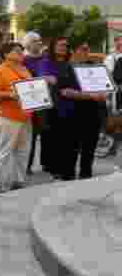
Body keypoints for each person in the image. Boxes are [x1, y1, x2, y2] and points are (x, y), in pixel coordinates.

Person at [57, 39, 109, 180]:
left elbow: (105, 87)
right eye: (83, 49)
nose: (87, 52)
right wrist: (90, 96)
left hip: (93, 114)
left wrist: (105, 93)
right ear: (74, 51)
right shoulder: (66, 67)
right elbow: (65, 91)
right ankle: (68, 179)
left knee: (89, 150)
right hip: (73, 114)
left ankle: (86, 178)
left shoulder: (94, 66)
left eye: (88, 49)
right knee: (70, 150)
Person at [0, 42, 34, 192]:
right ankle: (0, 182)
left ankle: (17, 181)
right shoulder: (0, 71)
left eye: (21, 50)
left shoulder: (25, 69)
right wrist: (10, 94)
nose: (20, 52)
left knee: (22, 150)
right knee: (4, 150)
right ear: (6, 54)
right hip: (7, 116)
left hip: (25, 116)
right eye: (16, 51)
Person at [37, 36, 69, 180]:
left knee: (64, 138)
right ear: (53, 47)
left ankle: (62, 167)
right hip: (52, 105)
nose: (63, 48)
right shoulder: (46, 62)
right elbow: (43, 77)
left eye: (65, 46)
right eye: (60, 45)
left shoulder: (69, 63)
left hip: (68, 104)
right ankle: (52, 168)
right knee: (52, 137)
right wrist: (49, 79)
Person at [23, 32, 52, 176]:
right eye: (35, 41)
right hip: (30, 101)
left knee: (47, 132)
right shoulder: (23, 60)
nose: (39, 43)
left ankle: (46, 163)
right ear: (28, 44)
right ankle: (27, 165)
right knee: (31, 135)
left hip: (46, 100)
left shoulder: (46, 59)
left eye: (40, 41)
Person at [102, 34, 122, 160]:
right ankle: (114, 147)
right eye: (119, 43)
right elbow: (107, 76)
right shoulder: (111, 58)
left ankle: (115, 147)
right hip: (117, 94)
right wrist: (108, 97)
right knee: (116, 122)